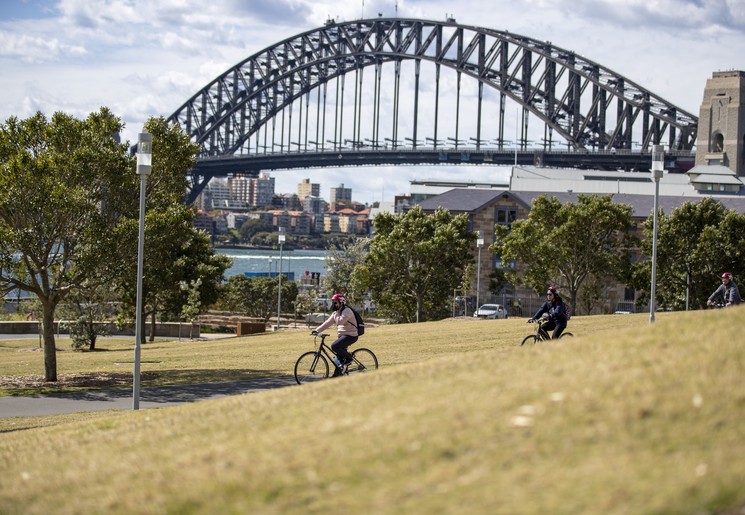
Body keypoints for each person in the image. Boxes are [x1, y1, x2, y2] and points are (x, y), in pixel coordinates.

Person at [312, 293, 359, 377]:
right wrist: (316, 330)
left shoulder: (347, 311)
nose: (334, 304)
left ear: (341, 302)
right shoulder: (337, 312)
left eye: (335, 302)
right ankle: (337, 375)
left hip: (351, 335)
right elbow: (327, 323)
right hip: (342, 336)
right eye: (333, 302)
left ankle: (349, 358)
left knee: (334, 346)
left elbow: (340, 321)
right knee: (338, 358)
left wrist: (335, 313)